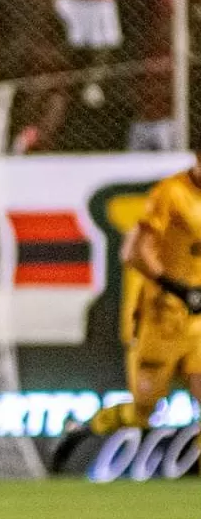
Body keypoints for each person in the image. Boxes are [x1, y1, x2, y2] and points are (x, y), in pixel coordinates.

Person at [73, 151, 201, 442]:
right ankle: (83, 429)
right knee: (143, 409)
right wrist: (179, 289)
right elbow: (133, 252)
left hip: (198, 320)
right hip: (163, 316)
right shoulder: (171, 193)